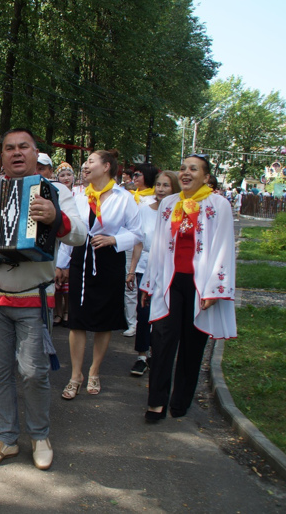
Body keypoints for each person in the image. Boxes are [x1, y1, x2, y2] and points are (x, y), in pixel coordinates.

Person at [0, 128, 86, 470]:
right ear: (3, 155)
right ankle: (6, 439)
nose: (16, 153)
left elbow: (79, 235)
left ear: (35, 152)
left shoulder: (55, 191)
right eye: (10, 148)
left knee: (33, 373)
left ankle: (40, 436)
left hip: (34, 296)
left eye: (23, 147)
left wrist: (56, 217)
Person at [140, 154, 236, 422]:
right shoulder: (169, 203)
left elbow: (224, 246)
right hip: (169, 283)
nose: (185, 172)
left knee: (192, 345)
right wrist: (149, 283)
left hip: (200, 285)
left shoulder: (218, 205)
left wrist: (215, 289)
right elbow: (158, 245)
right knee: (162, 341)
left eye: (193, 169)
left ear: (206, 177)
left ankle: (181, 400)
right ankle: (156, 402)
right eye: (182, 168)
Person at [57, 150, 142, 399]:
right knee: (78, 319)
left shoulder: (124, 197)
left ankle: (94, 371)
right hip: (81, 258)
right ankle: (75, 375)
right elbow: (68, 231)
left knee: (104, 320)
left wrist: (115, 239)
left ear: (106, 167)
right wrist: (61, 265)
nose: (85, 166)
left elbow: (138, 233)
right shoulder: (79, 196)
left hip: (109, 259)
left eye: (91, 162)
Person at [129, 170, 180, 376]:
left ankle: (159, 354)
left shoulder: (180, 210)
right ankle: (142, 356)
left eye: (166, 185)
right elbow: (139, 242)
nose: (160, 189)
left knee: (164, 315)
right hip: (145, 267)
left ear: (174, 188)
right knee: (143, 313)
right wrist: (131, 271)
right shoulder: (144, 210)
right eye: (158, 185)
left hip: (170, 269)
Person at [123, 163, 159, 338]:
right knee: (129, 286)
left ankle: (149, 322)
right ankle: (132, 323)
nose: (134, 177)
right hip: (130, 245)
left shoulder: (155, 199)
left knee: (148, 287)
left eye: (138, 174)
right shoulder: (130, 196)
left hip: (148, 249)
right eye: (133, 175)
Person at [52, 162, 76, 327]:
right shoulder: (55, 194)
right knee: (57, 283)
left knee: (69, 283)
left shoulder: (79, 195)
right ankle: (58, 311)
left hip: (73, 245)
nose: (66, 178)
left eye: (69, 175)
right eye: (62, 175)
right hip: (58, 242)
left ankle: (68, 310)